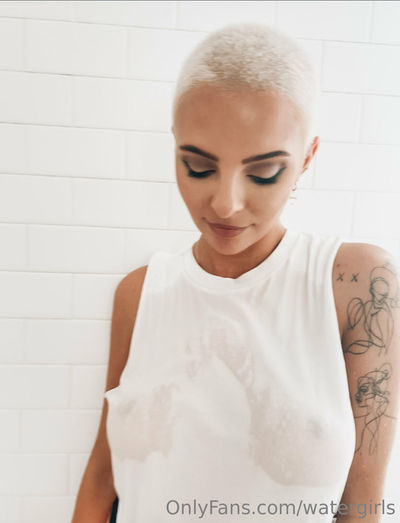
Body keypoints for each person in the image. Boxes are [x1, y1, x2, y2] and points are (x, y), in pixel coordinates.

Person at [71, 22, 400, 523]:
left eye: (264, 173)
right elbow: (102, 479)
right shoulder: (139, 294)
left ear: (306, 159)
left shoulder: (356, 285)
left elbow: (361, 506)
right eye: (198, 167)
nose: (226, 203)